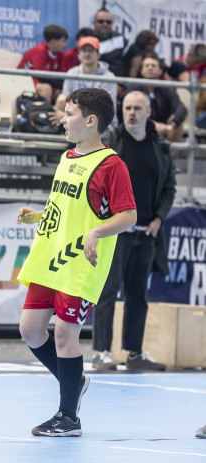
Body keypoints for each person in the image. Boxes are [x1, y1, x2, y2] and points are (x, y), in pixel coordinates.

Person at [16, 87, 137, 436]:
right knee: (29, 329)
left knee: (65, 336)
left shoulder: (112, 165)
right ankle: (74, 380)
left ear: (90, 120)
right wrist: (37, 215)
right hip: (50, 255)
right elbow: (65, 208)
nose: (63, 120)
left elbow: (128, 216)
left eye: (68, 113)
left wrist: (97, 233)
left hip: (81, 261)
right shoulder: (68, 156)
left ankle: (68, 417)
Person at [91, 90, 176, 371]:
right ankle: (101, 351)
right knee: (108, 290)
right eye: (127, 108)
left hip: (147, 233)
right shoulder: (111, 142)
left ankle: (134, 352)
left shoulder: (160, 147)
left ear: (149, 112)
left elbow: (169, 189)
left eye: (138, 108)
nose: (132, 113)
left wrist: (159, 219)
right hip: (117, 232)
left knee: (138, 295)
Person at [55, 36, 117, 128]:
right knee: (61, 98)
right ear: (79, 54)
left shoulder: (109, 77)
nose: (87, 54)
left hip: (101, 124)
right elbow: (67, 102)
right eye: (84, 50)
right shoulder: (71, 73)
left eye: (91, 50)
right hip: (77, 123)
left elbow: (105, 109)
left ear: (98, 54)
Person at [132, 53, 187, 146]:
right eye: (146, 66)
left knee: (178, 123)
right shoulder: (134, 89)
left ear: (160, 71)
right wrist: (153, 124)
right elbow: (131, 113)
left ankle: (169, 158)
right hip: (142, 126)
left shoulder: (166, 88)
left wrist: (172, 124)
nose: (150, 68)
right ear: (141, 71)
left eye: (153, 65)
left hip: (166, 128)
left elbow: (181, 108)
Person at [18, 24, 68, 103]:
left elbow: (61, 75)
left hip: (40, 80)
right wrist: (60, 85)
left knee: (63, 93)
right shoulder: (39, 51)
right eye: (63, 41)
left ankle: (59, 114)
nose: (65, 44)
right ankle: (44, 114)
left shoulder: (60, 54)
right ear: (53, 42)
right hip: (24, 78)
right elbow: (42, 76)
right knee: (46, 88)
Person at [93, 8, 141, 78]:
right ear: (94, 23)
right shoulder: (89, 40)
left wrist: (131, 79)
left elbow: (136, 53)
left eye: (108, 22)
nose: (105, 24)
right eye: (101, 21)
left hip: (118, 83)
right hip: (96, 82)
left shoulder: (118, 38)